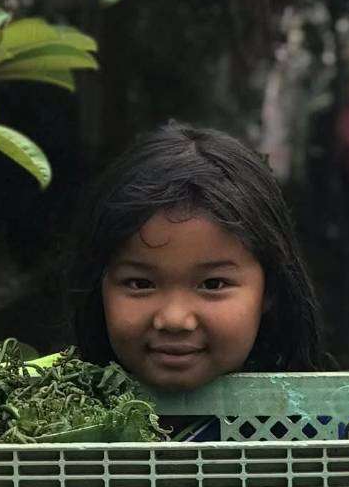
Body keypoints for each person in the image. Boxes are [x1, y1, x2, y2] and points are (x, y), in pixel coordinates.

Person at [70, 122, 324, 390]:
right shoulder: (36, 415)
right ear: (99, 285)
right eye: (140, 284)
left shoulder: (326, 428)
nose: (174, 320)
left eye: (213, 284)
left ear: (269, 291)